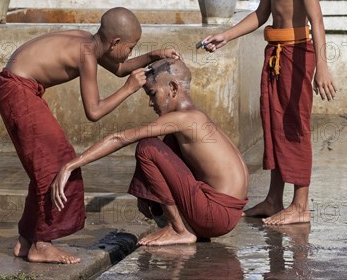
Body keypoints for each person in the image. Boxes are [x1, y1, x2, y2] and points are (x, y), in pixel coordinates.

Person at [0, 7, 182, 264]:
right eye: (130, 47)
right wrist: (128, 90)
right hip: (18, 92)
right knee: (59, 166)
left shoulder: (88, 41)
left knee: (44, 167)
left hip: (17, 88)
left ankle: (27, 240)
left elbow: (119, 68)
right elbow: (93, 112)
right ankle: (42, 243)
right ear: (115, 42)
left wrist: (154, 55)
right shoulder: (86, 55)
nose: (129, 53)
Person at [201, 0, 337, 225]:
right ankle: (274, 199)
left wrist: (323, 66)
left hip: (297, 55)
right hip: (275, 54)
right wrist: (227, 35)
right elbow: (262, 14)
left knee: (294, 127)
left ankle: (300, 206)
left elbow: (316, 20)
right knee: (273, 125)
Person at [51, 58, 249, 246]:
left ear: (172, 88)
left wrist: (71, 165)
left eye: (152, 94)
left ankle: (178, 229)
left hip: (215, 216)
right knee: (167, 142)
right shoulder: (197, 117)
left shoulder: (184, 120)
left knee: (147, 147)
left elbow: (119, 138)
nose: (150, 103)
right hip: (227, 216)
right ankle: (164, 213)